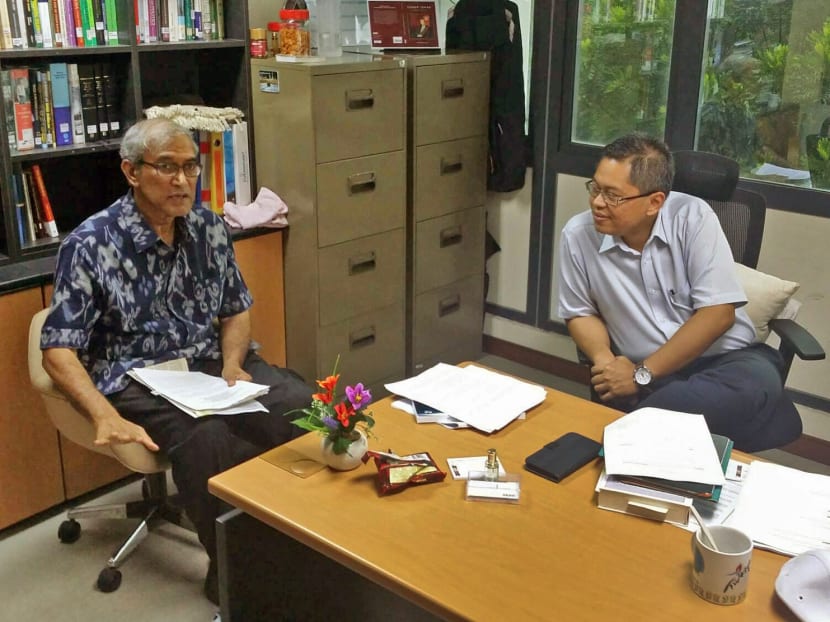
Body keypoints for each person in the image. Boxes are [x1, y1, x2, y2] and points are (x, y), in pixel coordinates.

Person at [39, 118, 311, 604]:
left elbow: (235, 308)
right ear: (131, 171)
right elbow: (58, 349)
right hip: (137, 378)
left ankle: (308, 539)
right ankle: (235, 570)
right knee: (209, 439)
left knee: (299, 402)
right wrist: (102, 414)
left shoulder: (208, 227)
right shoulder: (90, 244)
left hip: (208, 366)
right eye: (166, 167)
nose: (182, 180)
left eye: (190, 167)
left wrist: (233, 364)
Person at [557, 133, 802, 452]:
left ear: (655, 201)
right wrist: (607, 364)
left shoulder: (693, 218)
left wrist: (641, 377)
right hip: (637, 366)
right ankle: (648, 436)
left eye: (613, 195)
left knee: (744, 387)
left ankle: (631, 437)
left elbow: (718, 314)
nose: (597, 203)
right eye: (595, 188)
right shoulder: (578, 236)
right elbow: (580, 311)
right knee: (709, 410)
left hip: (725, 362)